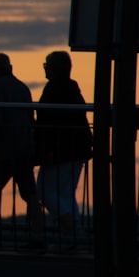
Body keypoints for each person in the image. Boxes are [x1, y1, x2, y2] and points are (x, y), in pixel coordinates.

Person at [0, 52, 43, 249]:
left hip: (4, 149)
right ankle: (37, 236)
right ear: (10, 67)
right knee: (30, 193)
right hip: (23, 148)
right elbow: (30, 118)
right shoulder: (22, 87)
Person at [35, 51, 92, 250]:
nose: (44, 67)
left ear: (54, 68)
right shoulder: (72, 89)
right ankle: (72, 237)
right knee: (66, 193)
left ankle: (72, 231)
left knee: (44, 190)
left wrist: (48, 149)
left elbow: (49, 121)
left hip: (61, 151)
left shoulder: (54, 89)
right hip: (78, 149)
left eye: (47, 64)